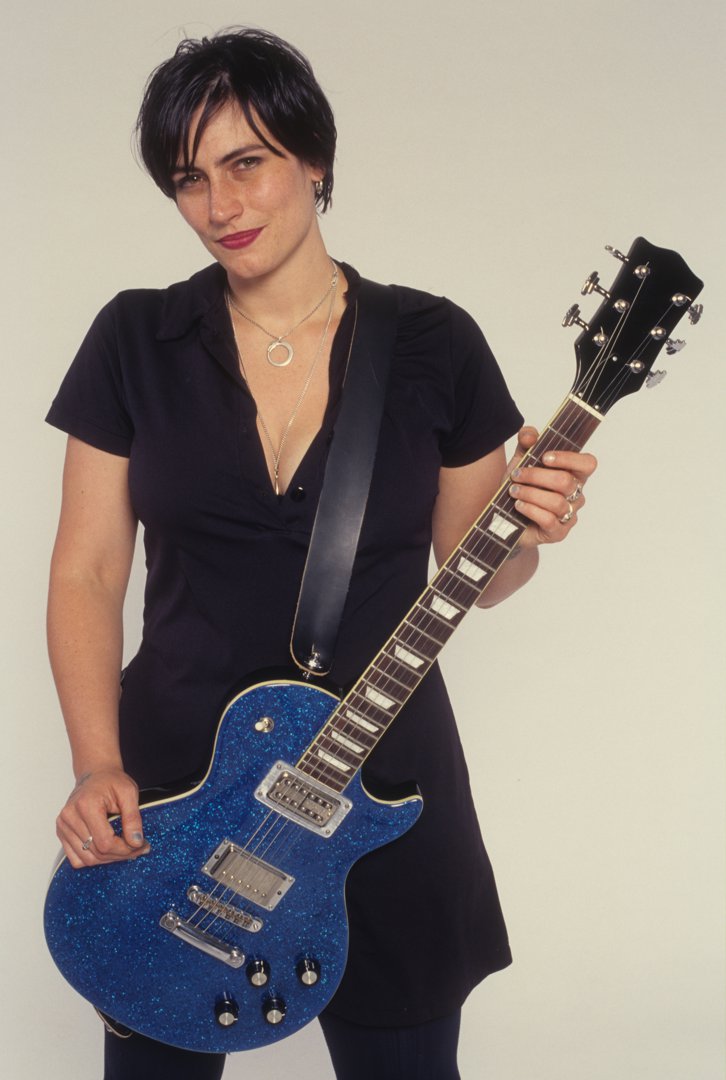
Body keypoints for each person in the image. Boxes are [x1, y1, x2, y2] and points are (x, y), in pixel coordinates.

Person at [46, 28, 597, 1080]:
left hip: (377, 783)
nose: (223, 207)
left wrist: (532, 531)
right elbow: (86, 572)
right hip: (173, 784)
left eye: (247, 163)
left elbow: (485, 578)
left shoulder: (434, 341)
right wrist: (96, 760)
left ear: (314, 159)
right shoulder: (133, 338)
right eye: (190, 180)